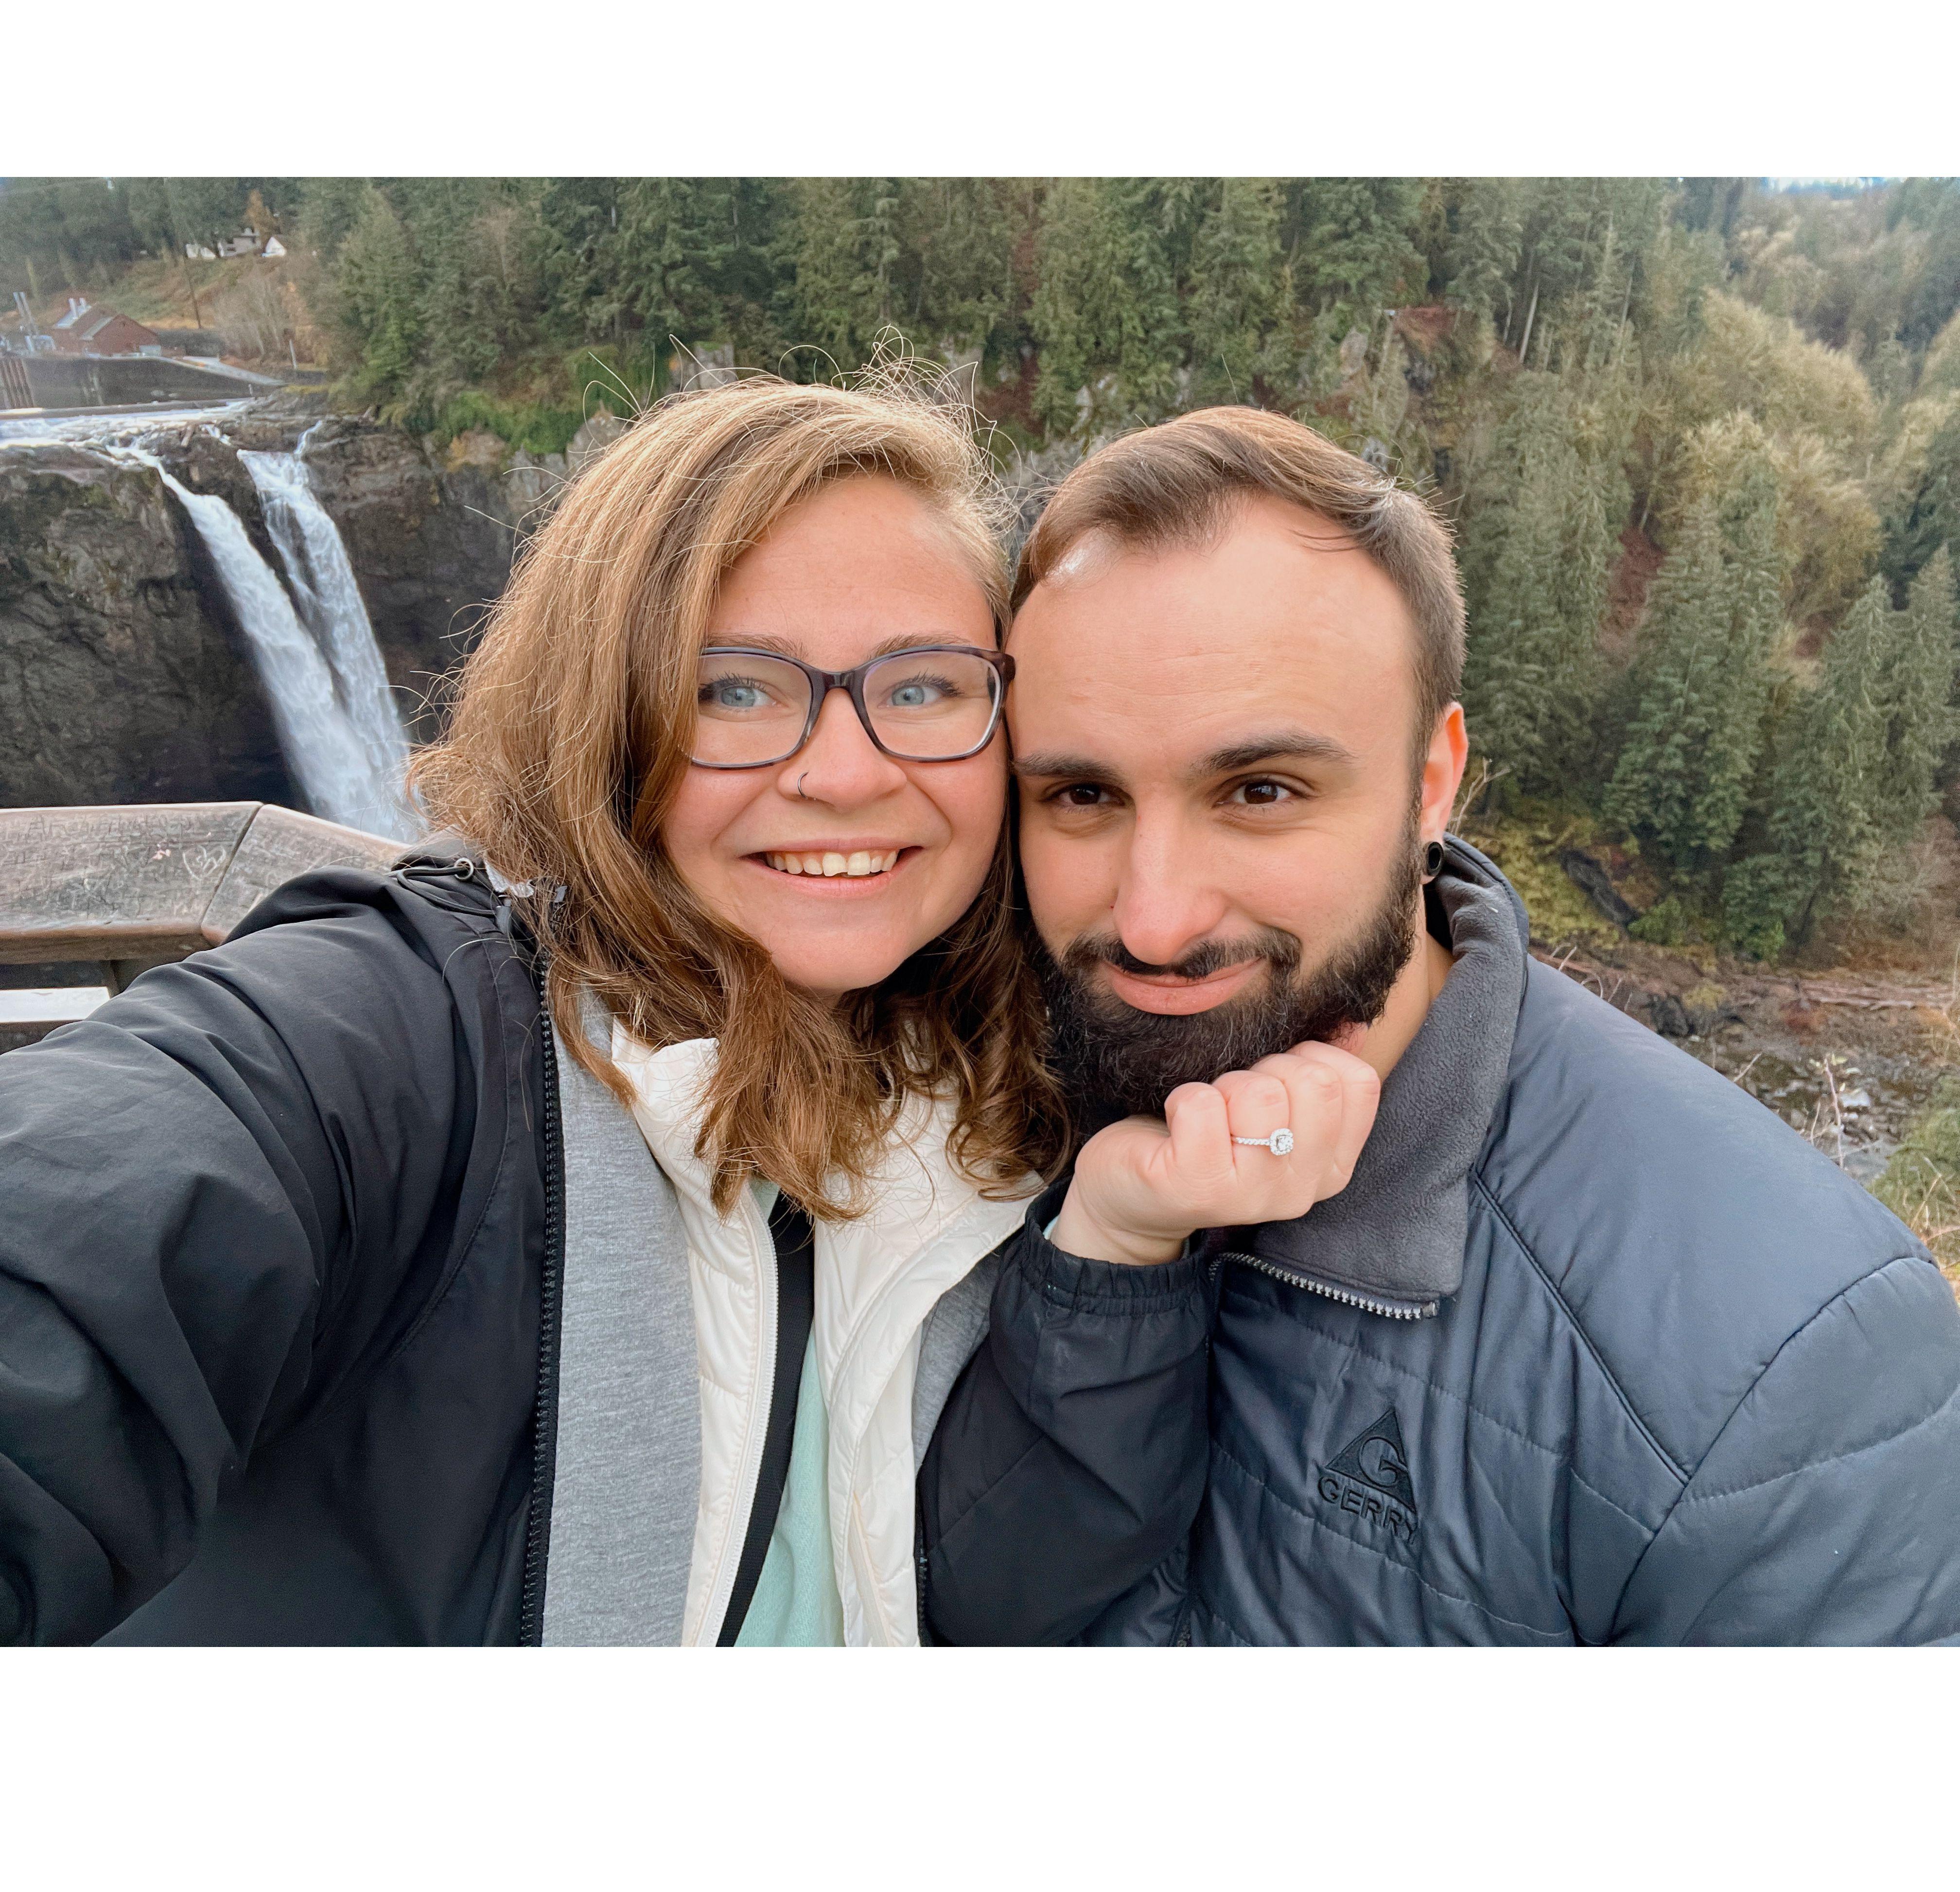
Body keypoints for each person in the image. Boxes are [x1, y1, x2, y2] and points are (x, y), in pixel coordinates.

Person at [0, 370, 1063, 1647]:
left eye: (924, 687)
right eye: (733, 689)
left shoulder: (1042, 1076)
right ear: (612, 718)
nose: (844, 772)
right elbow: (104, 1208)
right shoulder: (415, 1038)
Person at [918, 405, 1960, 1646]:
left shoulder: (1789, 1372)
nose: (1153, 921)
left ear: (1431, 782)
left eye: (1259, 791)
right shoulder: (1000, 1092)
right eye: (1081, 793)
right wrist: (1107, 1249)